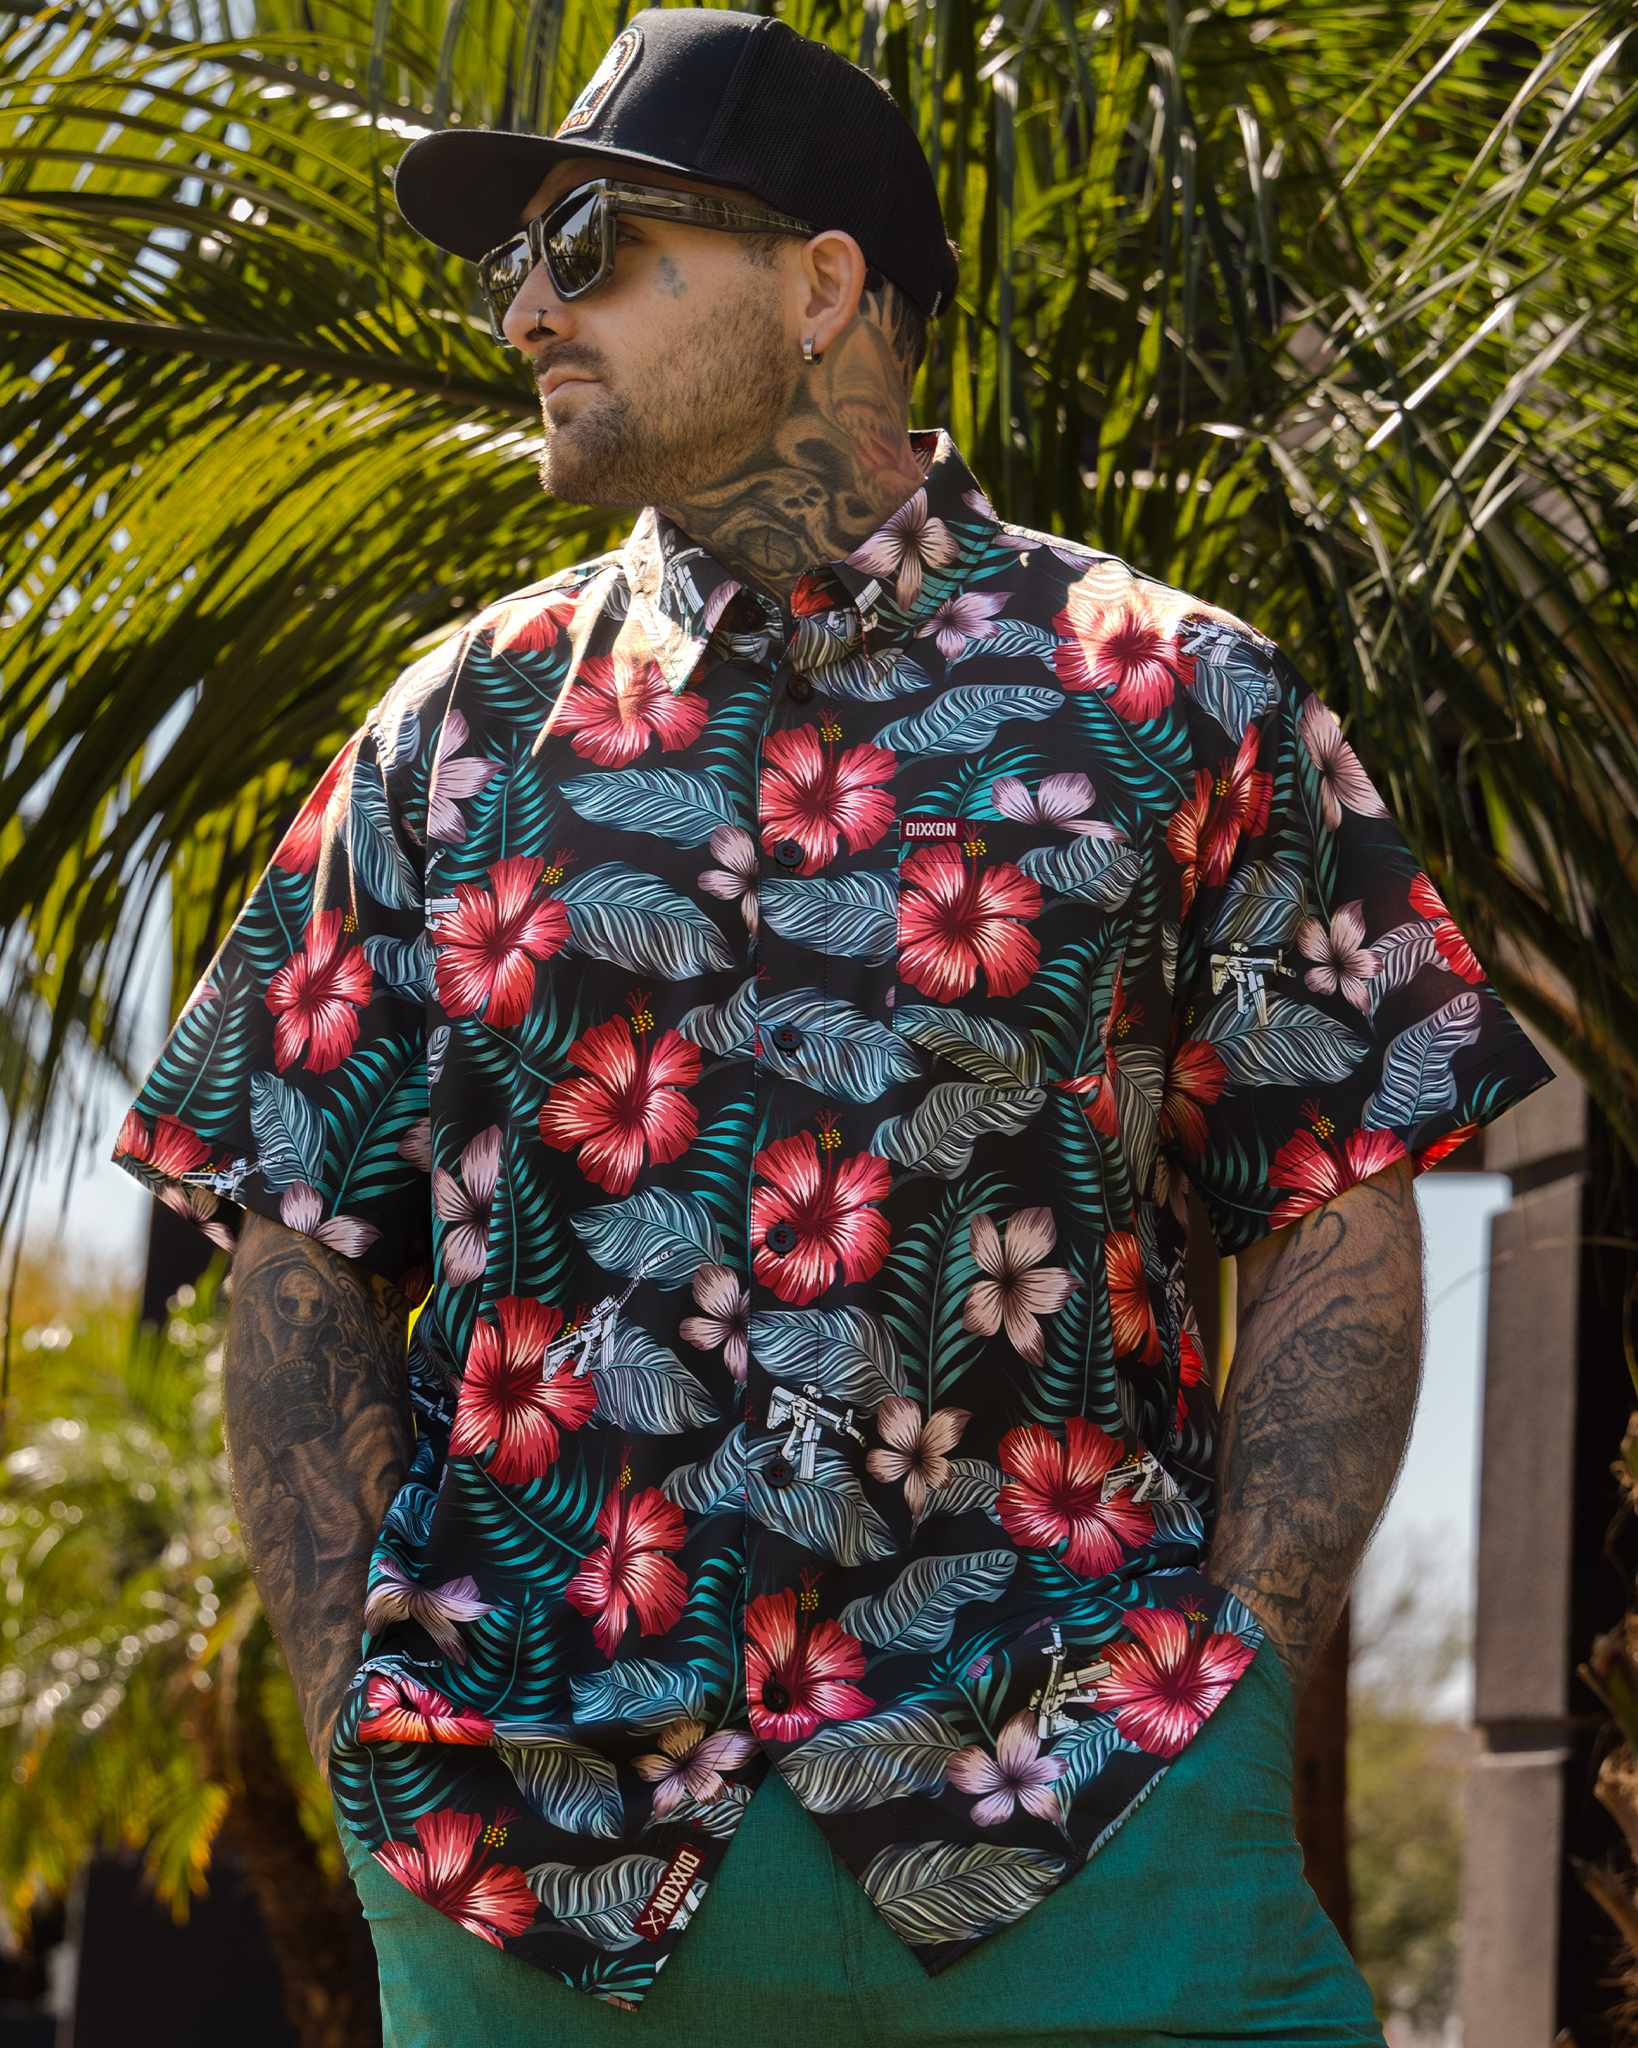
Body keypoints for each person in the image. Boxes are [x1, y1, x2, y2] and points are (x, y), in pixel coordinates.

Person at [114, 11, 1551, 2044]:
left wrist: (1233, 1691)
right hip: (539, 1878)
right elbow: (295, 1235)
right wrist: (359, 1714)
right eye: (513, 258)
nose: (525, 310)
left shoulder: (1176, 704)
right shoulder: (452, 735)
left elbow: (1331, 1187)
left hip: (1092, 1827)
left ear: (820, 287)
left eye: (592, 243)